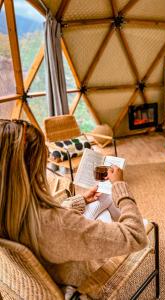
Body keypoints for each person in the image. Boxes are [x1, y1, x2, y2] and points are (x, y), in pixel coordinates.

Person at [0, 119, 148, 289]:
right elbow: (136, 237)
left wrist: (82, 200)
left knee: (103, 198)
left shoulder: (11, 207)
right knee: (131, 220)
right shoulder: (57, 225)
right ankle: (132, 223)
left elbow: (48, 218)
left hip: (56, 256)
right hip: (78, 275)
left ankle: (121, 224)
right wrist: (119, 187)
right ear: (31, 166)